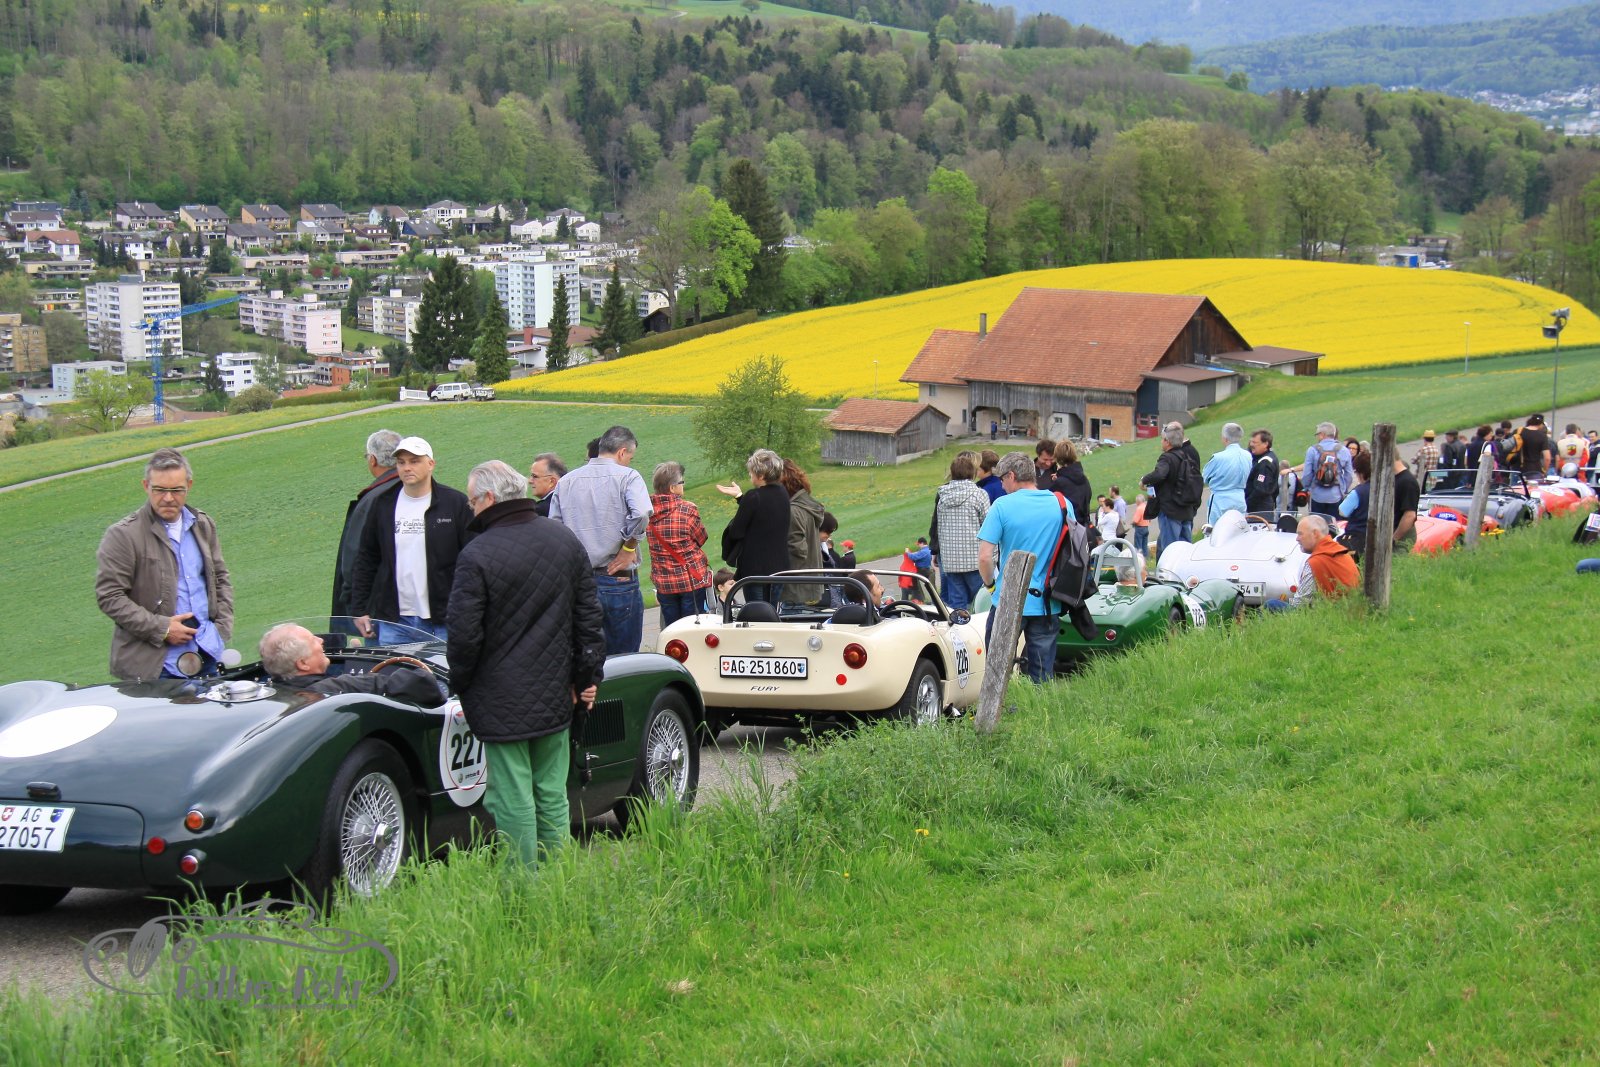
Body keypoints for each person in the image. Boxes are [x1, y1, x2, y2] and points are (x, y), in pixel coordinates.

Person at [448, 460, 605, 867]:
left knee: (512, 795)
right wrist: (586, 678)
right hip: (558, 691)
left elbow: (464, 638)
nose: (470, 508)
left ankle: (522, 883)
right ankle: (557, 878)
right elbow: (589, 619)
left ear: (488, 498)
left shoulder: (476, 554)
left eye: (471, 501)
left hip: (499, 697)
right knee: (552, 792)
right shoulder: (563, 539)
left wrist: (459, 683)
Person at [95, 448, 233, 681]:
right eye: (159, 490)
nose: (168, 498)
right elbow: (110, 597)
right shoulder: (123, 535)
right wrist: (162, 628)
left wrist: (221, 629)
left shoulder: (202, 524)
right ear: (145, 486)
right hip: (157, 668)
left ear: (189, 486)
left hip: (207, 653)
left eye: (176, 490)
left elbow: (220, 578)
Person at [351, 436, 474, 646]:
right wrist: (359, 609)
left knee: (444, 670)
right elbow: (367, 558)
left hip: (444, 619)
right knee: (395, 669)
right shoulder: (383, 504)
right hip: (395, 622)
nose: (407, 468)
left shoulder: (455, 504)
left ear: (431, 464)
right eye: (401, 462)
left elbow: (472, 558)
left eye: (414, 461)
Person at [549, 425, 652, 656]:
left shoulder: (566, 482)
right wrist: (629, 547)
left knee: (586, 656)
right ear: (622, 452)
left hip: (579, 580)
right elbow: (642, 513)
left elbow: (555, 529)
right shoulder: (628, 476)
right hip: (618, 578)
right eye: (630, 457)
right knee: (623, 659)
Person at [977, 452, 1065, 684]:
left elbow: (985, 557)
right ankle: (1038, 706)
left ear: (1011, 476)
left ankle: (1005, 706)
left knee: (997, 671)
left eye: (1002, 480)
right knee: (1042, 675)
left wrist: (991, 586)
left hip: (1008, 598)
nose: (1001, 486)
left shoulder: (1002, 506)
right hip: (1047, 600)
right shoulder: (1060, 504)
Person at [259, 623, 444, 706]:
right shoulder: (340, 687)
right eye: (312, 640)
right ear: (303, 663)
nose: (321, 640)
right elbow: (424, 685)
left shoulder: (270, 693)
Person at [332, 429, 401, 620]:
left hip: (380, 604)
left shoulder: (372, 499)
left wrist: (353, 600)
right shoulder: (421, 491)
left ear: (372, 460)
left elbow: (355, 555)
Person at [719, 449, 792, 604]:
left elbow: (736, 532)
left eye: (752, 472)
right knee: (772, 611)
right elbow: (764, 513)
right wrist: (740, 497)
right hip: (779, 567)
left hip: (756, 569)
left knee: (757, 612)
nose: (750, 474)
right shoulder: (782, 493)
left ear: (761, 475)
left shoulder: (754, 496)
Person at [646, 460, 712, 628]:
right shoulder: (687, 509)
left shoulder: (647, 512)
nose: (684, 485)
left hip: (664, 583)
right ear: (672, 488)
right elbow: (702, 538)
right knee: (693, 629)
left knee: (672, 630)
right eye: (681, 482)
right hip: (690, 580)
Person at [929, 451, 990, 611]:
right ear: (973, 472)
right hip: (974, 560)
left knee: (958, 604)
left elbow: (939, 526)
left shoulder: (943, 496)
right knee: (981, 603)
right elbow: (988, 526)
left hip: (951, 561)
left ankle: (960, 626)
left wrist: (937, 550)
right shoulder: (979, 495)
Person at [1265, 515, 1358, 611]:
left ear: (1315, 534)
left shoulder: (1316, 561)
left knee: (1271, 604)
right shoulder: (1341, 551)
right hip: (1348, 611)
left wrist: (1285, 601)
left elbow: (1300, 603)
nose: (1297, 539)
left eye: (1300, 534)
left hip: (1330, 612)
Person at [1141, 421, 1203, 554]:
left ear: (1167, 441)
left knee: (1170, 550)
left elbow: (1160, 474)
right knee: (1185, 549)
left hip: (1171, 510)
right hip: (1186, 509)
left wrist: (1144, 480)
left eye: (1162, 439)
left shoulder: (1167, 458)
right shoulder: (1187, 456)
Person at [1303, 421, 1354, 519]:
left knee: (1317, 524)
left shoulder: (1312, 450)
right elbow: (1349, 475)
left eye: (1317, 434)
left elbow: (1307, 475)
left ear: (1322, 434)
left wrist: (1308, 488)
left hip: (1317, 495)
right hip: (1336, 495)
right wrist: (1343, 489)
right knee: (1335, 525)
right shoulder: (1344, 450)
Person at [1202, 422, 1251, 524]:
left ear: (1225, 438)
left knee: (1215, 529)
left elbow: (1204, 477)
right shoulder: (1247, 455)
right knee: (1238, 527)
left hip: (1221, 500)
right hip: (1240, 498)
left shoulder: (1218, 458)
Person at [1048, 439, 1092, 533]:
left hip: (1067, 532)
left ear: (1057, 458)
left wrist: (1058, 480)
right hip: (1083, 530)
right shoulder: (1084, 480)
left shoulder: (1059, 484)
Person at [1337, 450, 1371, 558]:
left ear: (1360, 473)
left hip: (1358, 538)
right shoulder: (1385, 488)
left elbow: (1342, 511)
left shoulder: (1358, 492)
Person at [1245, 428, 1280, 520]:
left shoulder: (1265, 462)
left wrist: (1246, 503)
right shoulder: (1258, 458)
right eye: (1251, 442)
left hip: (1260, 510)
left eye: (1255, 442)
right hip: (1259, 508)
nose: (1251, 445)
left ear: (1265, 444)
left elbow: (1260, 490)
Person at [1392, 455, 1421, 547]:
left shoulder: (1407, 482)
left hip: (1402, 537)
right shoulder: (1396, 478)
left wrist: (1394, 540)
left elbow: (1409, 515)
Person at [527, 452, 566, 518]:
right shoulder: (572, 500)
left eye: (535, 476)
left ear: (552, 481)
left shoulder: (541, 510)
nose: (530, 481)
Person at [1130, 493, 1152, 560]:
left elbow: (1136, 521)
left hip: (1140, 528)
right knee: (1144, 544)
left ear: (1138, 501)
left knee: (1138, 545)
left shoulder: (1139, 508)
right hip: (1146, 527)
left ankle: (1139, 558)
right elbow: (1150, 518)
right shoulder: (1146, 507)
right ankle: (1146, 557)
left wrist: (1132, 523)